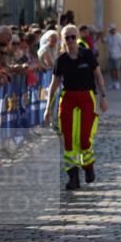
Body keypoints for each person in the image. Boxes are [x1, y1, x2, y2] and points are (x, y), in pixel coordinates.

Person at [43, 25, 108, 189]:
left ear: (77, 37)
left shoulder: (87, 55)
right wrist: (47, 109)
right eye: (67, 37)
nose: (70, 40)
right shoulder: (61, 60)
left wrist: (103, 97)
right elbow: (54, 85)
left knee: (84, 137)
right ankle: (72, 176)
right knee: (69, 140)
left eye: (73, 36)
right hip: (68, 98)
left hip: (87, 97)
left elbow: (98, 76)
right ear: (62, 40)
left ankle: (88, 167)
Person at [105, 24, 121, 91]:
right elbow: (104, 40)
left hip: (117, 56)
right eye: (110, 30)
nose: (111, 31)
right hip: (110, 56)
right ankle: (113, 82)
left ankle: (117, 83)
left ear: (114, 29)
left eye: (112, 30)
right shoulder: (109, 36)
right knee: (111, 70)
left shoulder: (119, 37)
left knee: (116, 69)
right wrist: (100, 35)